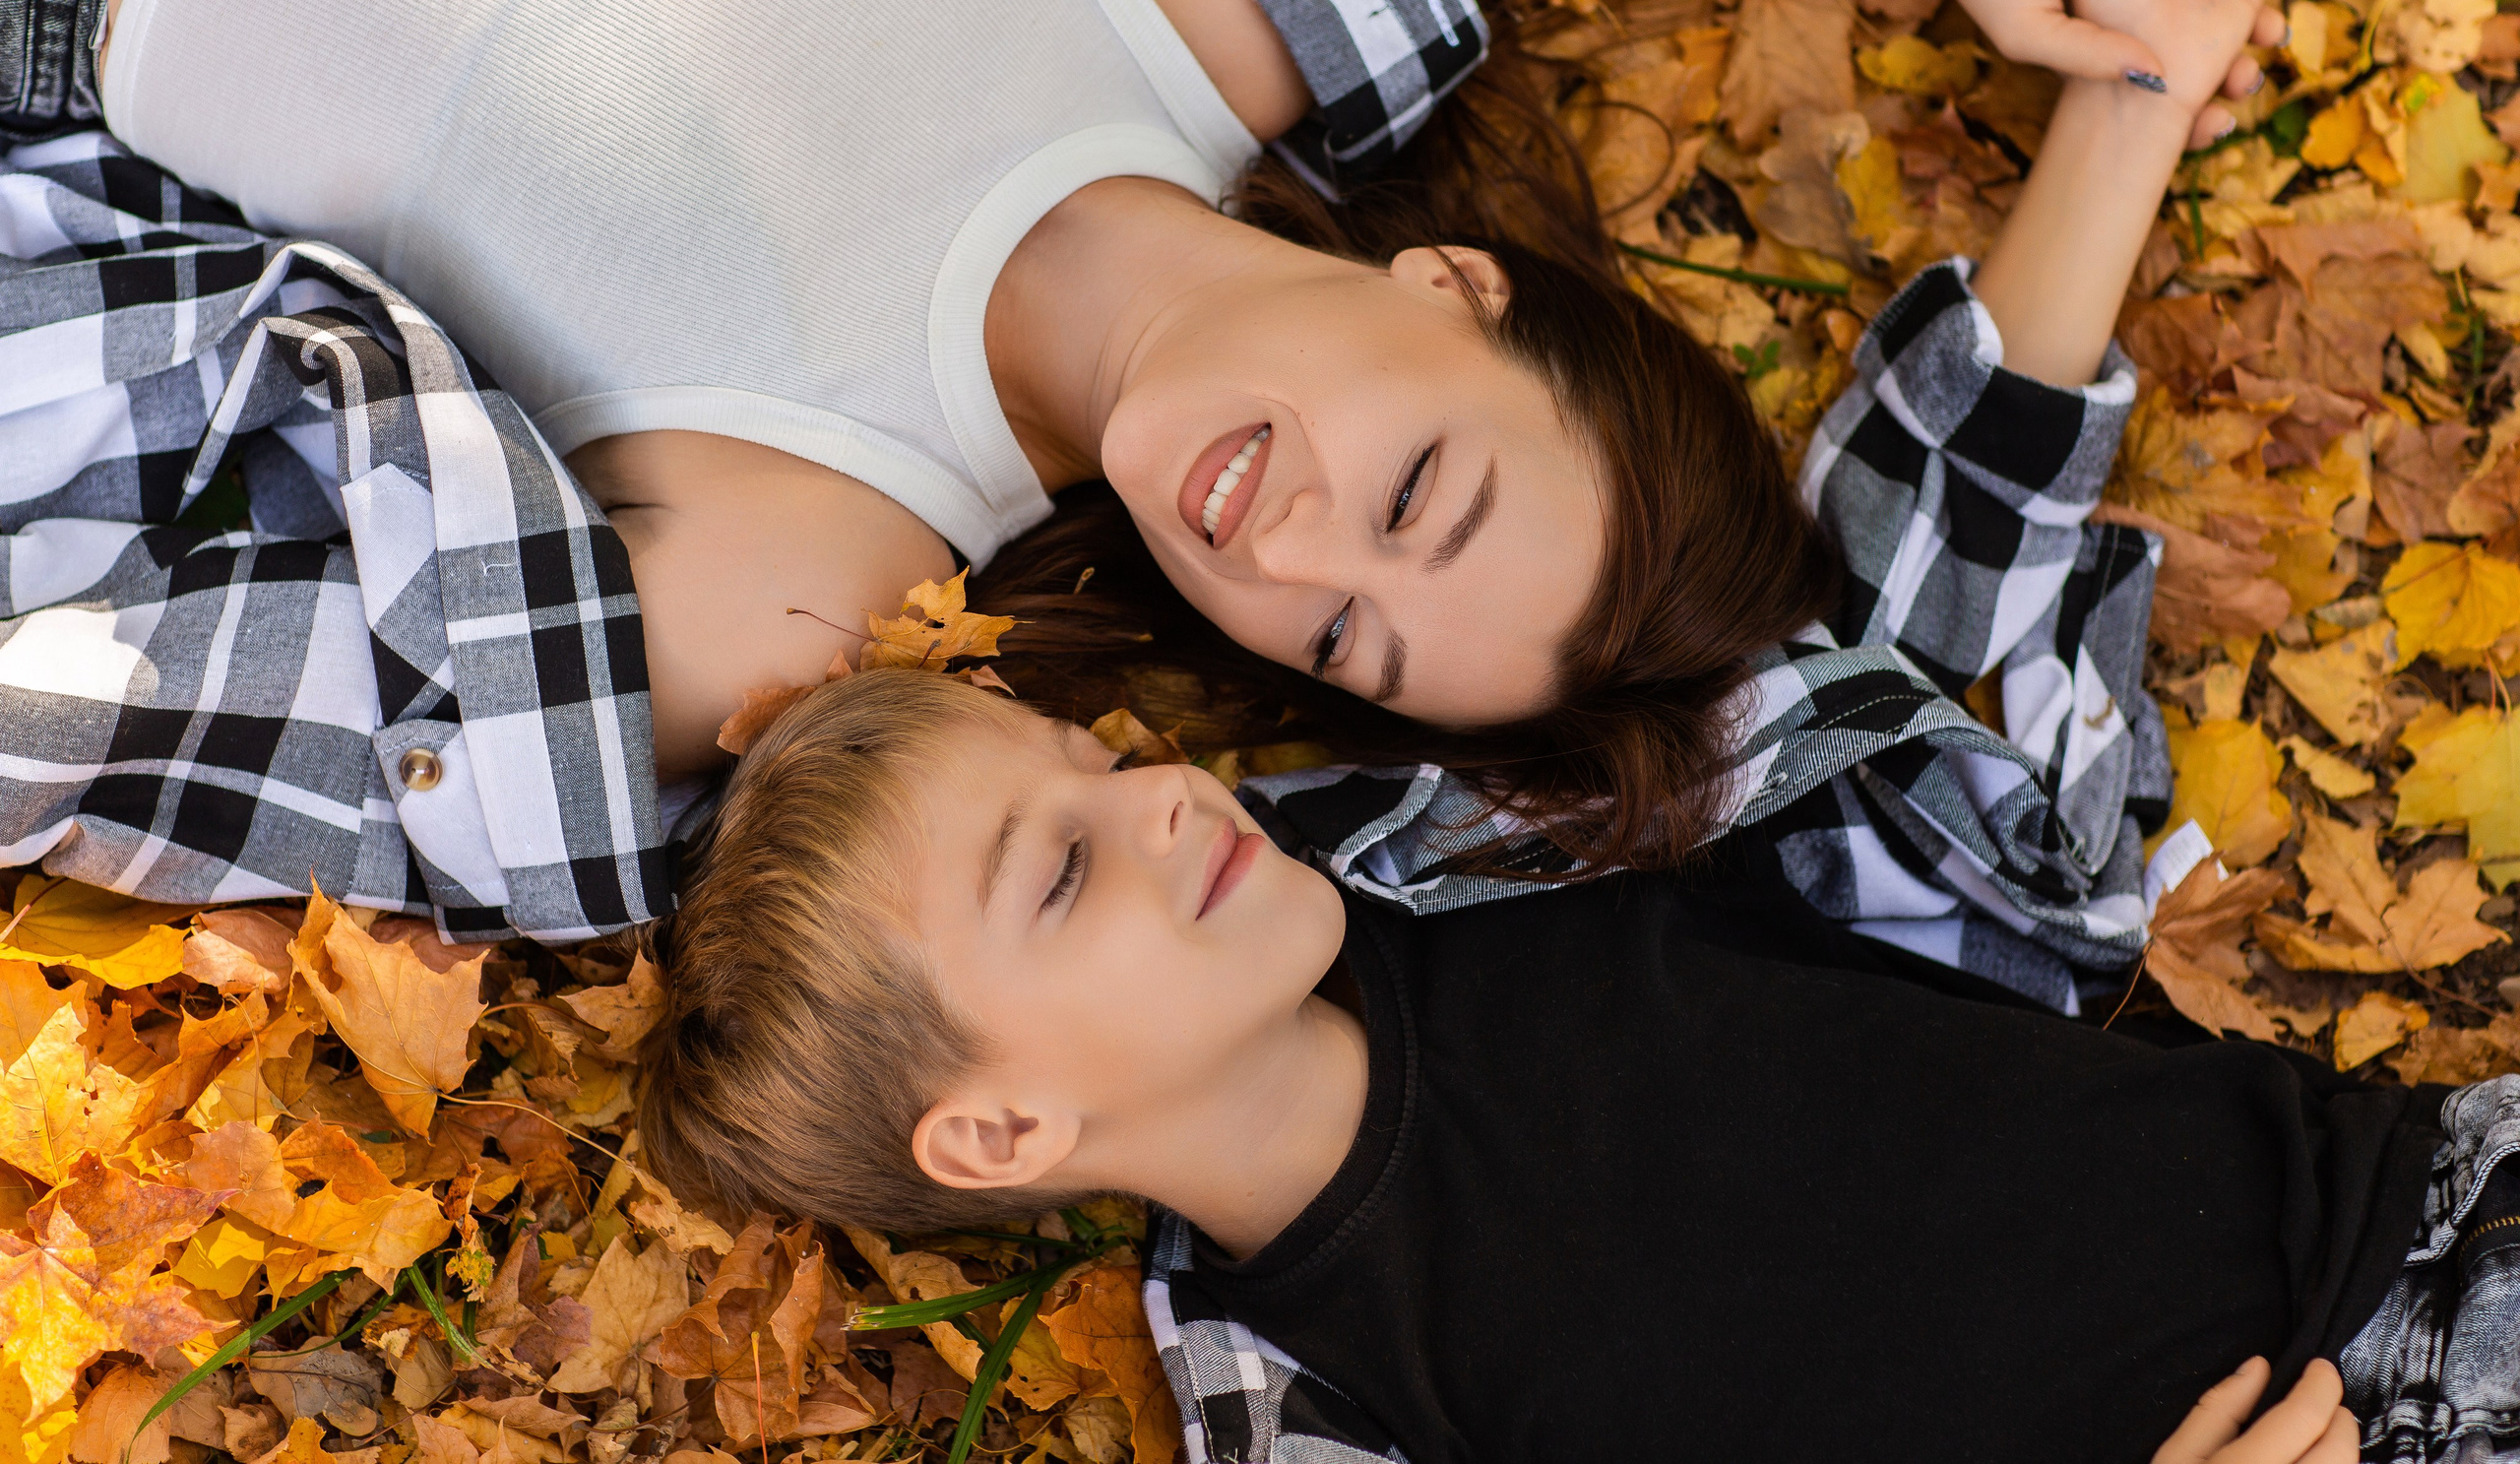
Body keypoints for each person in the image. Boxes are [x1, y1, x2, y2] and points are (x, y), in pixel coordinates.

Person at [0, 0, 2274, 967]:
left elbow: (1912, 780)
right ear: (1455, 285)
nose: (1287, 549)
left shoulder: (803, 569)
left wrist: (2125, 132)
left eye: (1343, 634)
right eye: (1418, 492)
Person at [635, 668, 2519, 1464]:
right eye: (1057, 872)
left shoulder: (1480, 861)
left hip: (2426, 1194)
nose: (1162, 797)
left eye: (1098, 760)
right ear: (1002, 1130)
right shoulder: (1324, 1401)